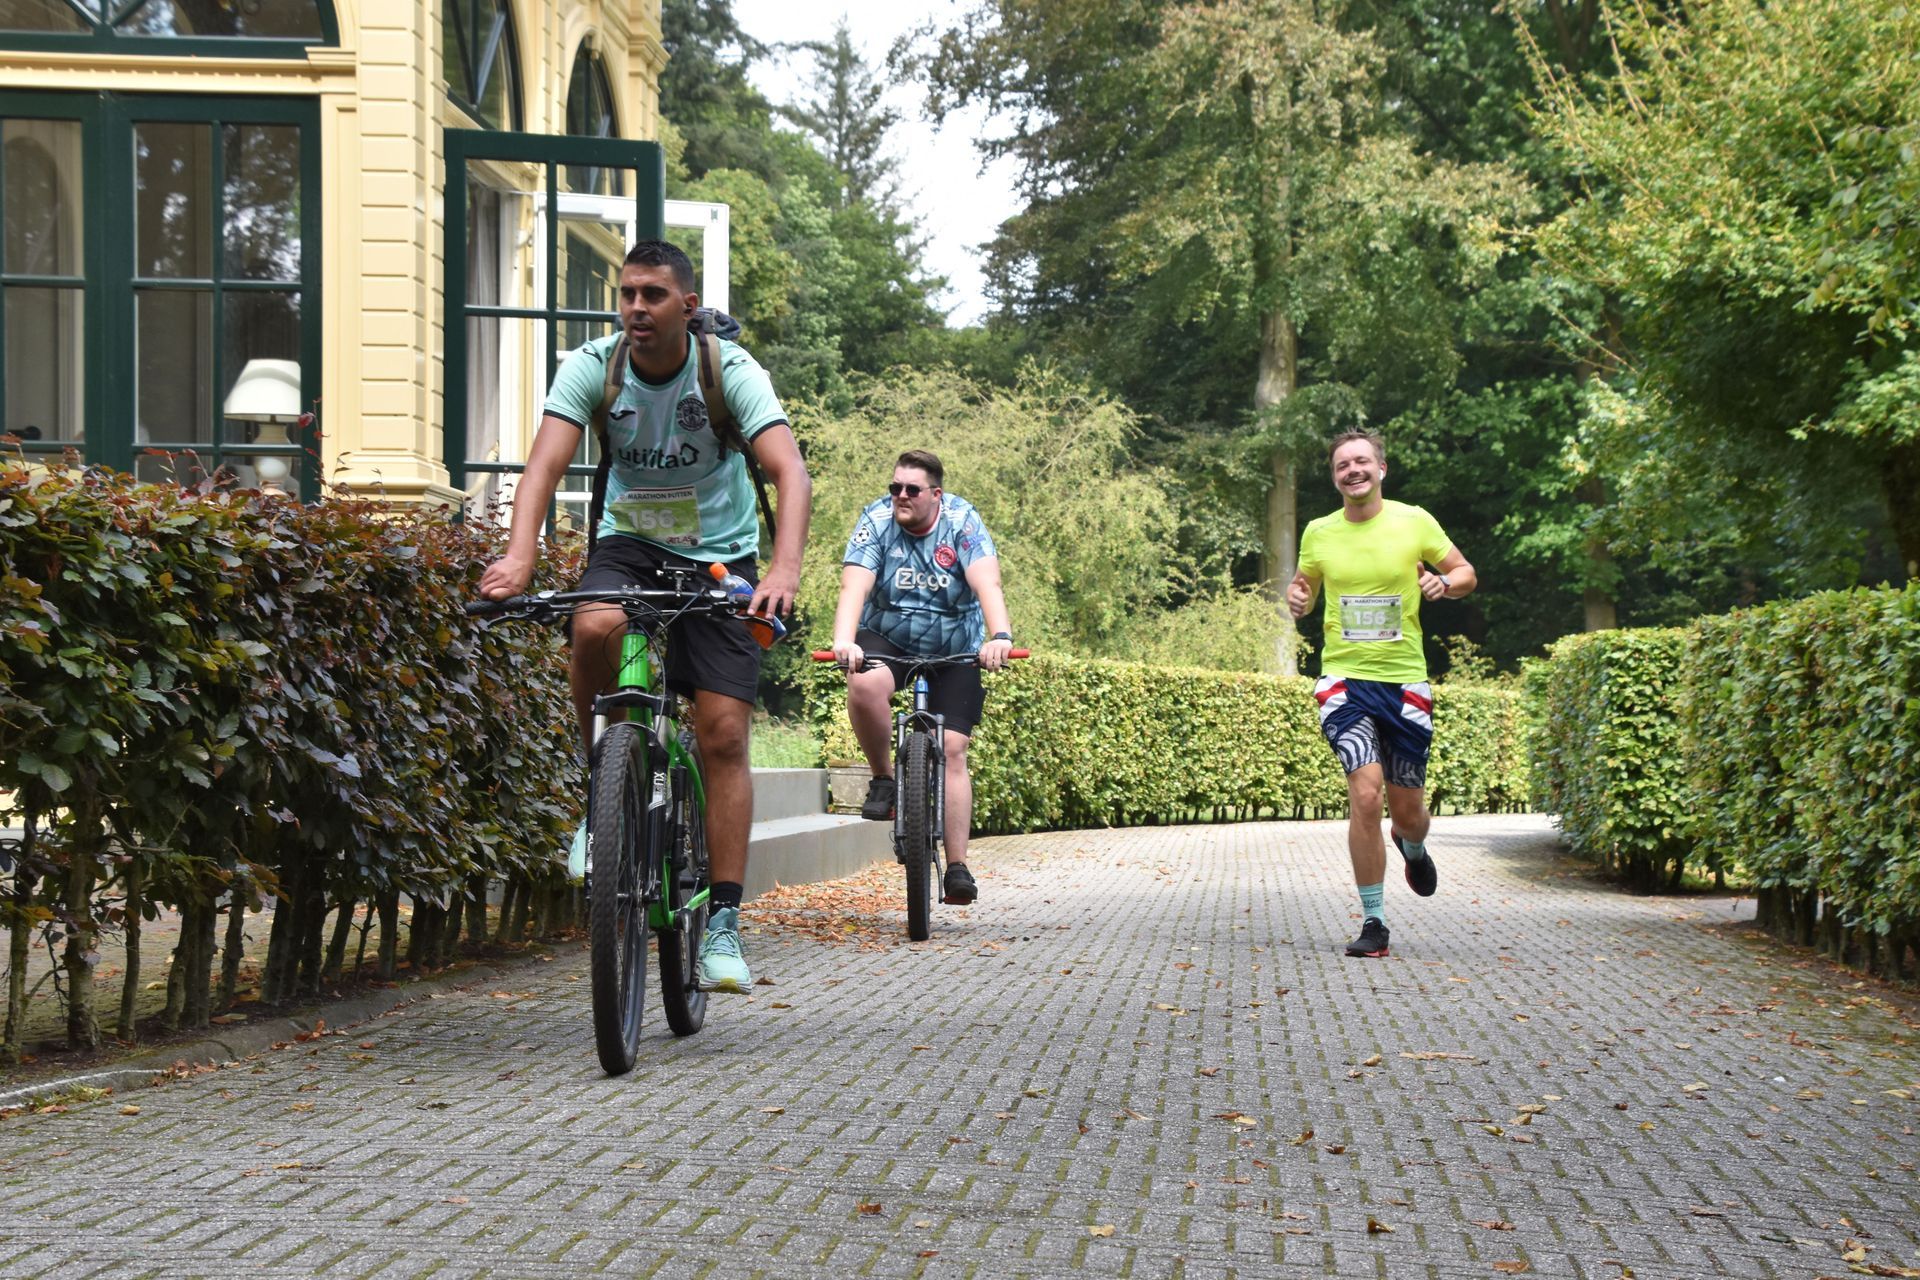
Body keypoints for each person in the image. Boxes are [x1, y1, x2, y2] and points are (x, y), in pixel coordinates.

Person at [479, 239, 812, 993]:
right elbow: (543, 467)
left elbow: (789, 472)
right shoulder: (593, 368)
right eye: (628, 292)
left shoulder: (728, 371)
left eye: (653, 294)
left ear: (686, 307)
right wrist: (521, 555)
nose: (636, 306)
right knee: (593, 625)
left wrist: (783, 571)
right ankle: (604, 801)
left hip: (719, 558)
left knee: (723, 734)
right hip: (628, 545)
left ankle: (722, 925)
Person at [1287, 430, 1476, 959]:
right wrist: (1298, 599)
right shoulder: (1319, 532)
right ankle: (1374, 921)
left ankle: (1412, 845)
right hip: (1343, 682)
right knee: (1366, 794)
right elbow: (1304, 588)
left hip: (1405, 683)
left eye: (1361, 461)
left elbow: (1465, 572)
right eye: (1342, 465)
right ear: (1335, 477)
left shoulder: (1414, 521)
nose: (1353, 470)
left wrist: (1444, 584)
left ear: (1381, 469)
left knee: (1408, 810)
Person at [828, 451, 1013, 906]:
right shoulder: (876, 520)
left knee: (952, 749)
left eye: (912, 489)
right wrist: (844, 641)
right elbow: (854, 585)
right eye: (895, 488)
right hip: (888, 637)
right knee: (864, 684)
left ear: (936, 494)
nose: (901, 496)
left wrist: (1000, 636)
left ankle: (957, 867)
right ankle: (883, 779)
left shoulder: (962, 521)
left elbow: (987, 583)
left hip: (954, 646)